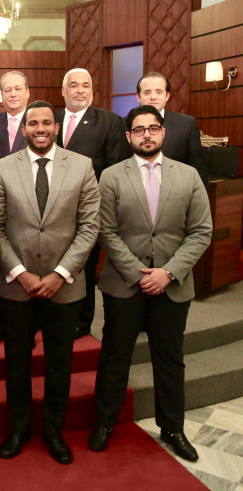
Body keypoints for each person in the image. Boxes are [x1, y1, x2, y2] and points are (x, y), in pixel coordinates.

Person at [89, 105, 212, 461]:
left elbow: (201, 231)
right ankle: (104, 423)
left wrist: (168, 272)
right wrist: (137, 272)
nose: (147, 135)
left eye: (153, 128)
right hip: (123, 284)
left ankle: (173, 428)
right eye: (139, 129)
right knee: (115, 356)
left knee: (170, 358)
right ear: (129, 136)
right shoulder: (111, 176)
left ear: (163, 132)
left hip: (172, 286)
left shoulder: (188, 175)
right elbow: (105, 230)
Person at [0, 100, 100, 464]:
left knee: (59, 364)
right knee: (16, 362)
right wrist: (20, 273)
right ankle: (18, 428)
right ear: (23, 129)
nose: (40, 128)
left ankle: (54, 431)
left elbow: (90, 228)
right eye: (33, 123)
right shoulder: (4, 167)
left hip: (64, 286)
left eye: (46, 123)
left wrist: (59, 274)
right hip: (15, 286)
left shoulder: (82, 166)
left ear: (56, 127)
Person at [54, 68, 131, 340]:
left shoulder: (110, 121)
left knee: (83, 266)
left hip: (88, 209)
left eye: (85, 85)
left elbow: (113, 168)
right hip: (49, 210)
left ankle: (82, 321)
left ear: (92, 90)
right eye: (73, 85)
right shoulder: (50, 119)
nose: (80, 90)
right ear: (63, 91)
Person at [0, 70, 31, 349]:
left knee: (28, 265)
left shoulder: (39, 121)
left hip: (30, 206)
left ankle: (25, 328)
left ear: (28, 93)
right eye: (7, 90)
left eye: (17, 89)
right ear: (0, 95)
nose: (12, 94)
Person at [135, 72, 207, 185]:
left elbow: (197, 168)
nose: (153, 97)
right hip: (133, 191)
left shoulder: (187, 124)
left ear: (167, 96)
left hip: (177, 191)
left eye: (159, 92)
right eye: (147, 92)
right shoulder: (123, 124)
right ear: (138, 97)